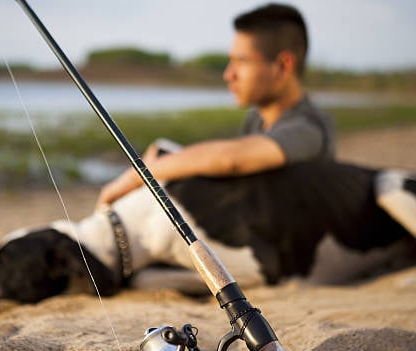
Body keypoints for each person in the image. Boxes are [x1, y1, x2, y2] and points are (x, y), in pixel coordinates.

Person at [96, 3, 334, 208]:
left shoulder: (309, 128)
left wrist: (138, 176)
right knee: (161, 149)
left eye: (241, 61)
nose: (228, 75)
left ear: (283, 65)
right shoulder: (256, 119)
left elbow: (232, 159)